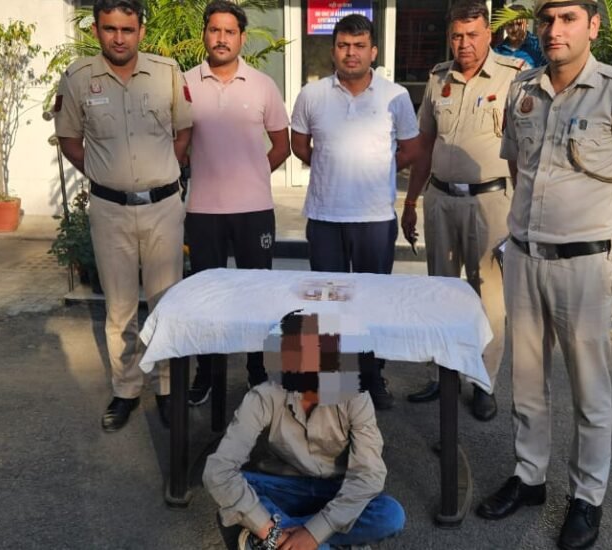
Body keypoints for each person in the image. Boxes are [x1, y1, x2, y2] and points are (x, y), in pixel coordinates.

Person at [475, 1, 612, 549]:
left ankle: (586, 497)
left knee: (589, 389)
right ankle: (529, 476)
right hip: (525, 257)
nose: (554, 30)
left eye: (568, 18)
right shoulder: (523, 87)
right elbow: (519, 164)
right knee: (526, 381)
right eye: (547, 19)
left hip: (584, 265)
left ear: (593, 26)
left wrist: (605, 239)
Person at [54, 0, 192, 431]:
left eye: (127, 30)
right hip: (110, 211)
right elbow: (69, 139)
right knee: (119, 307)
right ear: (96, 30)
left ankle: (167, 388)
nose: (119, 38)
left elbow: (184, 130)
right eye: (110, 29)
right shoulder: (78, 77)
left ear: (141, 32)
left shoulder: (167, 73)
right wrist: (105, 175)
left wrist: (161, 172)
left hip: (163, 208)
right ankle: (127, 389)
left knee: (166, 302)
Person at [401, 0, 527, 421]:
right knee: (440, 292)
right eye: (457, 36)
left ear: (489, 34)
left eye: (473, 35)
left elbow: (527, 147)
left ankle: (483, 382)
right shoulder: (438, 78)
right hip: (440, 199)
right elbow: (424, 146)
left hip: (490, 202)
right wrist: (411, 201)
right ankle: (443, 375)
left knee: (488, 297)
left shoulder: (514, 77)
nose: (464, 43)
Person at [290, 14, 420, 411]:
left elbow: (411, 150)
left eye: (359, 46)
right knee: (327, 304)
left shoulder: (395, 96)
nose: (351, 53)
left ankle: (371, 376)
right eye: (344, 45)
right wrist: (334, 167)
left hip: (375, 219)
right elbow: (299, 145)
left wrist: (374, 171)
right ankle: (330, 380)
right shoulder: (311, 95)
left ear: (373, 51)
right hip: (325, 216)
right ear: (333, 50)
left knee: (372, 304)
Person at [203, 311, 405, 550]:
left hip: (336, 489)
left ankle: (263, 540)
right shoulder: (265, 396)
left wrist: (312, 533)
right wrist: (273, 531)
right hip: (284, 487)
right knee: (238, 485)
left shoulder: (356, 396)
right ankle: (316, 541)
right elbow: (219, 470)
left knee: (390, 514)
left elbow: (368, 475)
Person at [184, 0, 291, 406]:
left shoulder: (263, 85)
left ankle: (256, 369)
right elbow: (176, 141)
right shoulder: (184, 84)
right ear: (204, 35)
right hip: (203, 211)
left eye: (230, 31)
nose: (221, 38)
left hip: (254, 211)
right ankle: (207, 371)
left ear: (242, 38)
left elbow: (281, 145)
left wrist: (253, 174)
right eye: (214, 30)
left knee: (256, 294)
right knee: (206, 297)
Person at [494, 4, 545, 68]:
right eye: (510, 24)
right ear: (505, 26)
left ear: (527, 23)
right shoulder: (498, 51)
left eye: (519, 24)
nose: (515, 29)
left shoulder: (538, 47)